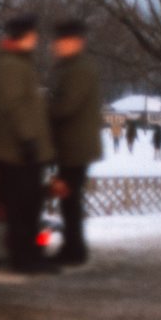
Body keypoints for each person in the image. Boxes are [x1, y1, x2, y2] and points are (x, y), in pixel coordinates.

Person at [0, 14, 59, 274]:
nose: (36, 39)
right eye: (32, 35)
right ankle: (22, 257)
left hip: (20, 149)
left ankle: (30, 254)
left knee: (30, 205)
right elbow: (14, 107)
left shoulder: (18, 63)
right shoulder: (11, 66)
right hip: (14, 151)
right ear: (22, 37)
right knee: (21, 206)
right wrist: (28, 139)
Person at [47, 18, 103, 266]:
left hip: (75, 146)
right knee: (69, 197)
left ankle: (74, 249)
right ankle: (74, 247)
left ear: (75, 42)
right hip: (73, 145)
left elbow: (66, 106)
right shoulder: (73, 67)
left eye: (61, 41)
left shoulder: (79, 69)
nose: (56, 46)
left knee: (69, 198)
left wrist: (42, 111)